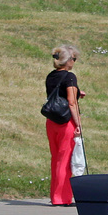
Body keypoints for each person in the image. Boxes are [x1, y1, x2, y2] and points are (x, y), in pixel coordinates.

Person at [45, 44, 85, 206]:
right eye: (74, 59)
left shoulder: (51, 76)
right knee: (65, 160)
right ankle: (63, 198)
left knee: (56, 159)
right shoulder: (70, 77)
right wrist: (78, 123)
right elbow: (71, 102)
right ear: (68, 60)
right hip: (65, 122)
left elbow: (57, 94)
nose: (74, 62)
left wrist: (78, 91)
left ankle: (55, 195)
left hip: (51, 121)